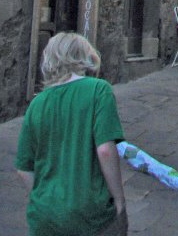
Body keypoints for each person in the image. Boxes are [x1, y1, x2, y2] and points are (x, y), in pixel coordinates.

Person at [15, 32, 127, 236]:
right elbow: (105, 151)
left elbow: (24, 168)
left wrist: (45, 200)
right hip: (90, 213)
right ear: (85, 57)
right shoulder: (99, 91)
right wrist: (119, 201)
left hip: (44, 215)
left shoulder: (37, 103)